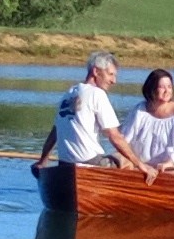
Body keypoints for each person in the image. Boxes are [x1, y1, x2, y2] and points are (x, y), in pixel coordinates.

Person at [32, 52, 164, 184]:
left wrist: (43, 161)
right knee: (126, 159)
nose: (114, 81)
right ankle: (124, 195)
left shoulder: (69, 94)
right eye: (110, 74)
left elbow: (55, 133)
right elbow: (115, 136)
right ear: (96, 71)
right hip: (91, 163)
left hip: (65, 164)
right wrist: (141, 165)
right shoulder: (97, 94)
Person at [117, 68, 174, 174]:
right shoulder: (139, 110)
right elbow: (125, 138)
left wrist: (169, 164)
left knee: (171, 172)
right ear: (152, 89)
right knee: (117, 160)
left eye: (169, 87)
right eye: (162, 87)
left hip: (171, 169)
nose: (167, 91)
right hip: (142, 168)